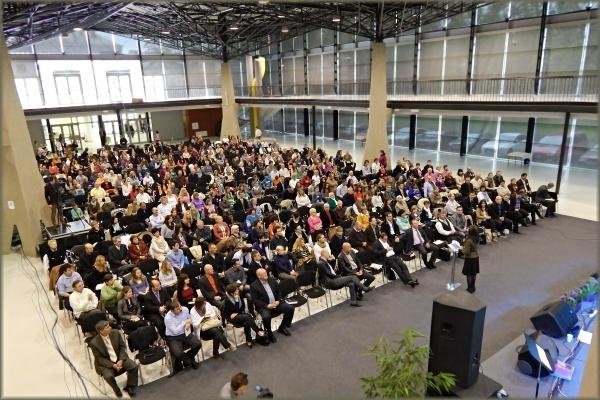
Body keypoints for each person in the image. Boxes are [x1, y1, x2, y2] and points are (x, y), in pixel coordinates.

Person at [89, 320, 138, 398]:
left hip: (119, 357)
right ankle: (116, 390)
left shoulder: (116, 333)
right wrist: (113, 365)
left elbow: (122, 347)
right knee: (108, 376)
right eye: (107, 327)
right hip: (106, 363)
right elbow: (99, 359)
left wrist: (121, 360)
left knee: (134, 366)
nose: (110, 327)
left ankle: (130, 386)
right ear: (101, 331)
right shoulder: (94, 343)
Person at [250, 268, 294, 343]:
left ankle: (282, 327)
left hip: (276, 303)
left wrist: (278, 300)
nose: (266, 274)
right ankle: (269, 332)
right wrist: (267, 306)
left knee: (290, 308)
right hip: (265, 306)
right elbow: (255, 301)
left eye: (265, 272)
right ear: (259, 276)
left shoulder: (272, 280)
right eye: (263, 274)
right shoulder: (254, 285)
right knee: (266, 316)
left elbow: (279, 291)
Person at [164, 301, 202, 375]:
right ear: (172, 310)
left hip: (185, 333)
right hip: (173, 337)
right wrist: (184, 322)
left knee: (198, 344)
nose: (180, 310)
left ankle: (189, 358)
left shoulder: (185, 309)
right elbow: (175, 331)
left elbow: (190, 319)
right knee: (178, 353)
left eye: (180, 307)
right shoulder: (168, 318)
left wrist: (188, 323)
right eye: (177, 309)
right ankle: (190, 361)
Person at [461, 225, 480, 293]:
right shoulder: (477, 238)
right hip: (476, 257)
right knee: (474, 274)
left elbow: (466, 252)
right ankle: (473, 286)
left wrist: (461, 249)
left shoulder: (469, 240)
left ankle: (469, 288)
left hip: (469, 259)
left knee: (469, 274)